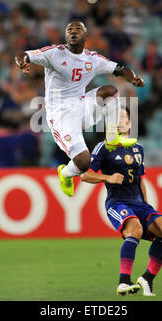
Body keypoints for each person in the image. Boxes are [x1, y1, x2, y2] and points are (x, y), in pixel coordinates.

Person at [15, 20, 145, 197]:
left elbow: (120, 69)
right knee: (84, 162)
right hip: (61, 115)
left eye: (78, 29)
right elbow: (24, 55)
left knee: (111, 91)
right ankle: (65, 173)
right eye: (70, 29)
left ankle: (112, 139)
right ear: (66, 35)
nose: (73, 32)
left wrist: (133, 78)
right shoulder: (54, 53)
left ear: (85, 36)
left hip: (82, 106)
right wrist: (22, 62)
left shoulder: (92, 59)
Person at [81, 107, 162, 296]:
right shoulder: (104, 147)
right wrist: (107, 178)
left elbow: (141, 180)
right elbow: (84, 175)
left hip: (140, 203)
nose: (119, 121)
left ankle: (147, 279)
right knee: (135, 229)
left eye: (123, 117)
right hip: (118, 202)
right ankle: (124, 281)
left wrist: (147, 206)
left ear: (130, 124)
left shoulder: (138, 148)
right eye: (115, 118)